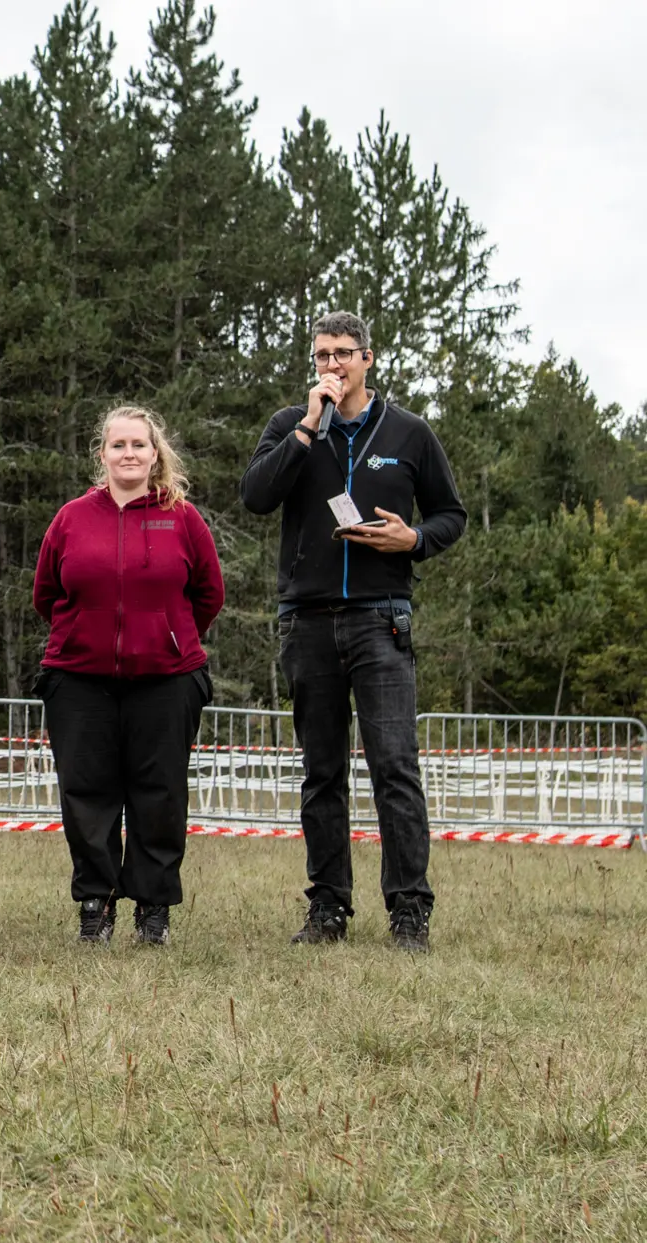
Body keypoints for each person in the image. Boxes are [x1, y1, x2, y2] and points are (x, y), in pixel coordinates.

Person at [240, 310, 466, 952]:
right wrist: (309, 427)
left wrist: (413, 539)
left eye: (343, 353)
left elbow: (453, 514)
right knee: (322, 771)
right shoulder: (291, 426)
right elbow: (255, 496)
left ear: (369, 358)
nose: (332, 365)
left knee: (395, 766)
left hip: (381, 618)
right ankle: (329, 908)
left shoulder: (409, 432)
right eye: (321, 356)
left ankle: (409, 911)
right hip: (306, 619)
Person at [33, 406, 223, 947]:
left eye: (139, 445)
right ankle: (96, 904)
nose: (129, 454)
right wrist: (85, 636)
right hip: (79, 679)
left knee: (158, 795)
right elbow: (47, 593)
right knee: (86, 794)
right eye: (118, 445)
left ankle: (153, 908)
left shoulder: (182, 518)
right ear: (103, 455)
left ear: (155, 453)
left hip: (166, 679)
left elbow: (209, 594)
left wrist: (166, 635)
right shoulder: (71, 517)